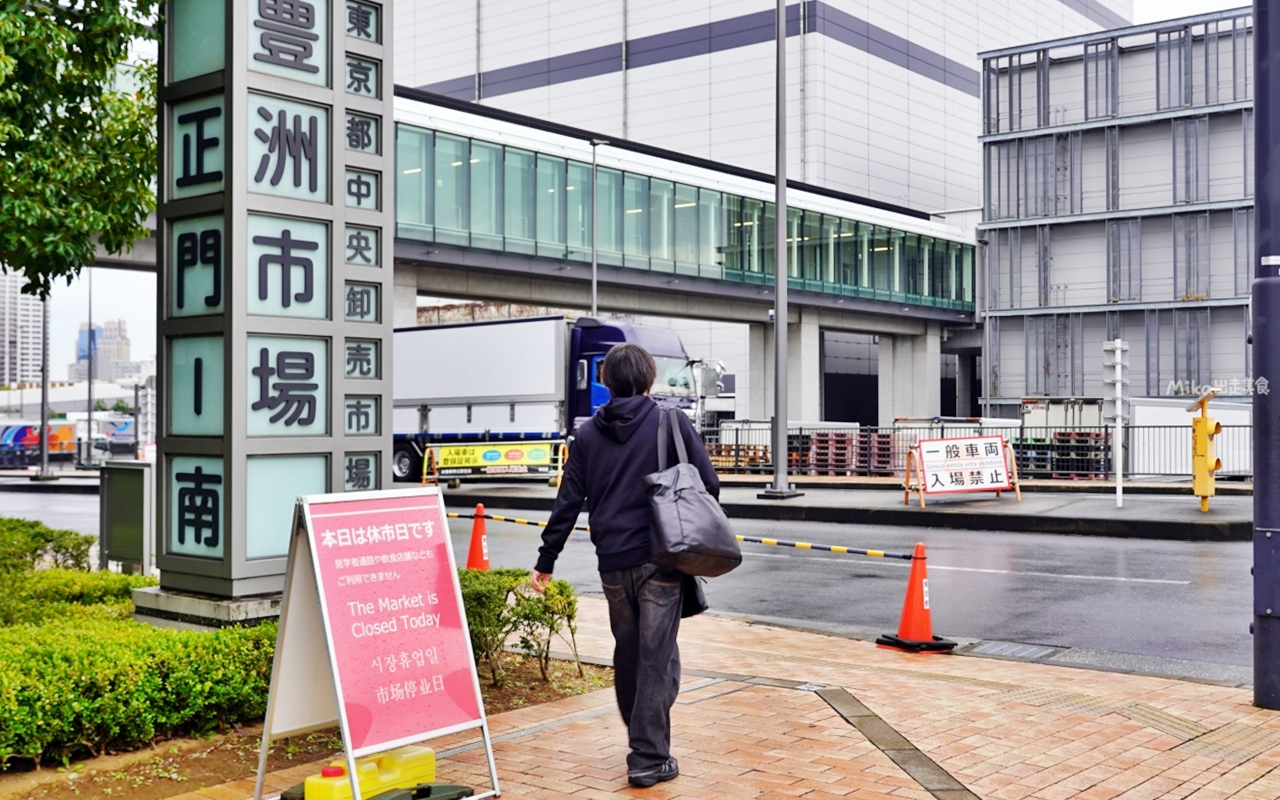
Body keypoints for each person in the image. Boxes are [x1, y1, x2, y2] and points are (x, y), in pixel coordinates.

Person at [531, 342, 719, 789]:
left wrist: (546, 560)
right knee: (656, 659)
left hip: (612, 563)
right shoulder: (670, 421)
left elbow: (568, 500)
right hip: (661, 558)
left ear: (607, 382)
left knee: (632, 653)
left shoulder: (588, 434)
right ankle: (648, 756)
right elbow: (708, 482)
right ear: (649, 378)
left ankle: (642, 735)